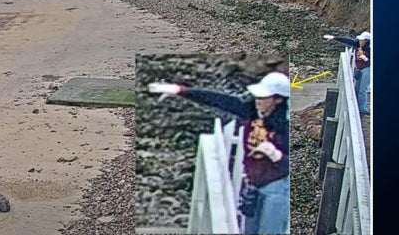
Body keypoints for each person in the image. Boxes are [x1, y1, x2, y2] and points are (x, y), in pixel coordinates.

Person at [149, 72, 290, 234]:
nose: (257, 100)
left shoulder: (285, 127)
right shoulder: (251, 112)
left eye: (264, 97)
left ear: (278, 100)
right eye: (257, 95)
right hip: (253, 185)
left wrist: (275, 155)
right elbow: (219, 100)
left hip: (277, 188)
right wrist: (179, 90)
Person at [323, 31, 371, 115]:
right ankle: (357, 106)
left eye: (362, 40)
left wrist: (366, 59)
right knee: (356, 88)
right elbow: (347, 40)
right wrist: (335, 37)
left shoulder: (370, 49)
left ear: (366, 41)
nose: (360, 41)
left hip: (367, 69)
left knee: (362, 90)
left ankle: (362, 108)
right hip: (359, 69)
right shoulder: (357, 45)